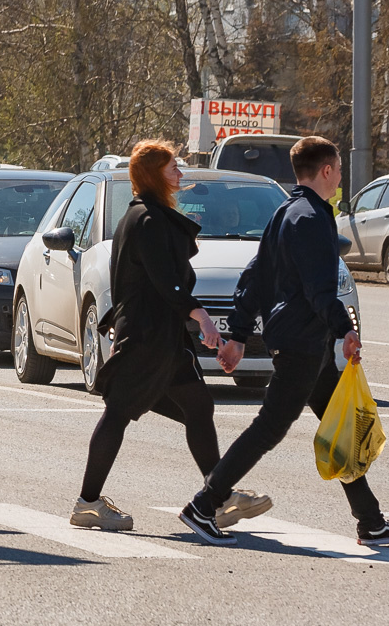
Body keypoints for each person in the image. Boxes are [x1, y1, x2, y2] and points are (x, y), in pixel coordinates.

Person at [181, 136, 389, 547]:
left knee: (338, 427)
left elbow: (255, 276)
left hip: (305, 341)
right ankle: (204, 505)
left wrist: (238, 334)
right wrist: (346, 329)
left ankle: (370, 520)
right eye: (340, 169)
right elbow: (320, 289)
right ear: (326, 171)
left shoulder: (286, 213)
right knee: (269, 427)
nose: (341, 176)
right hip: (302, 342)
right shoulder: (310, 218)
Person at [68, 140, 270, 531]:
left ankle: (219, 495)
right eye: (172, 167)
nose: (179, 173)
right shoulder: (147, 220)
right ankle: (87, 503)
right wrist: (203, 319)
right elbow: (166, 283)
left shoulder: (149, 216)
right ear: (152, 175)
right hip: (145, 337)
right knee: (118, 412)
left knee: (198, 407)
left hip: (163, 337)